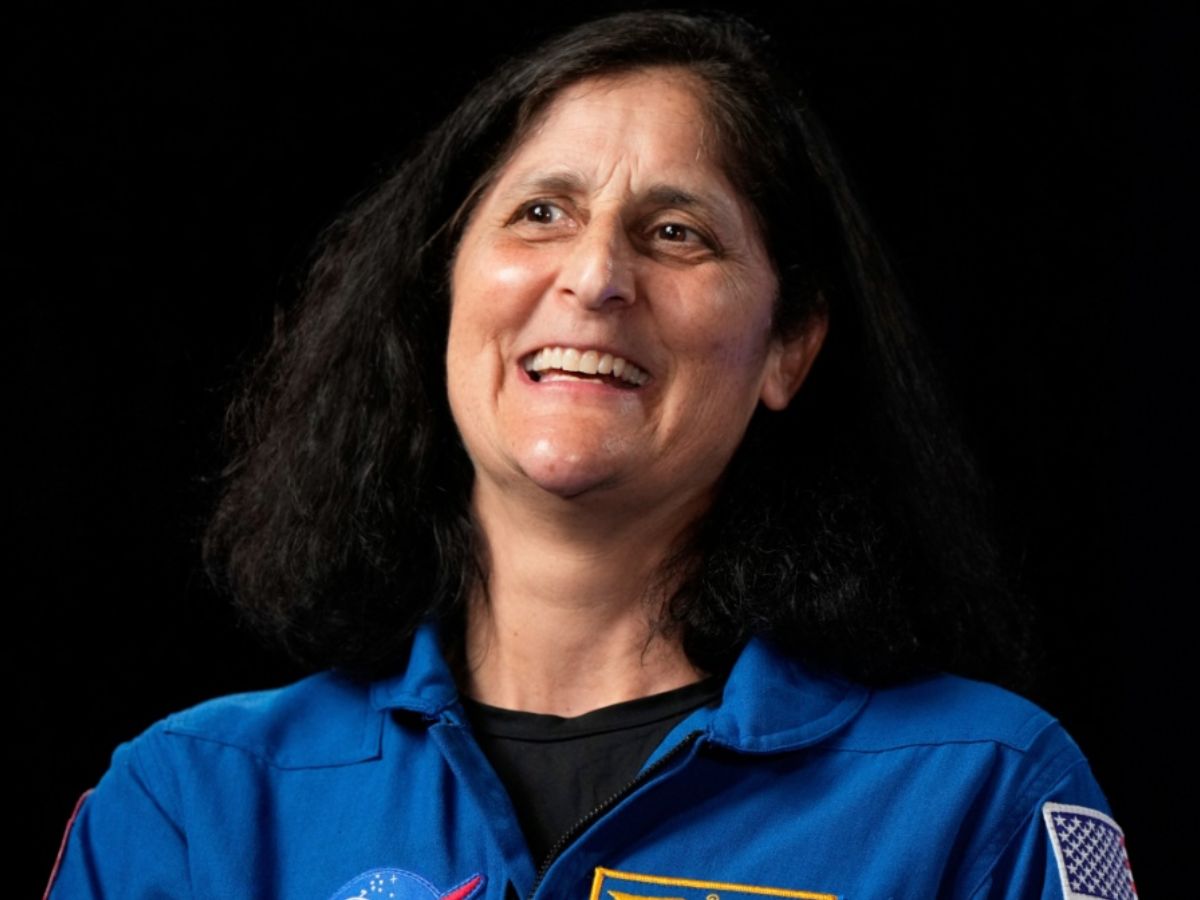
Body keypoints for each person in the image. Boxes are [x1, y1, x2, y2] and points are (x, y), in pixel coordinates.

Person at [45, 10, 1135, 900]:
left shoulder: (984, 794)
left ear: (789, 347)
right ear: (440, 298)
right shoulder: (192, 804)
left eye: (676, 233)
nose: (597, 276)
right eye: (540, 213)